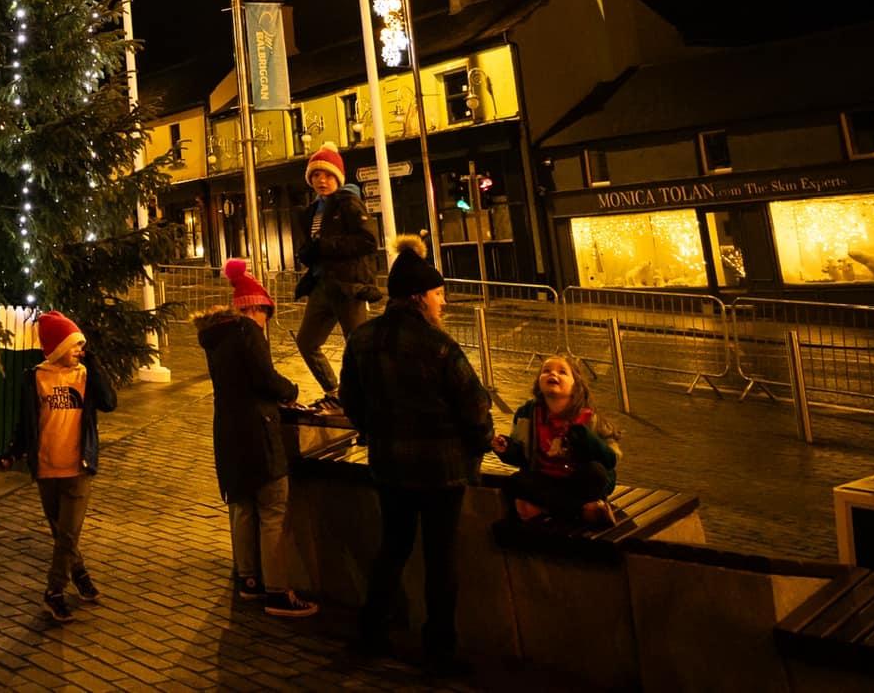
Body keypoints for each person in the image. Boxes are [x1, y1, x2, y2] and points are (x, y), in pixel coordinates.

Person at [338, 235, 493, 677]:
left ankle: (372, 631)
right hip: (441, 471)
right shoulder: (439, 345)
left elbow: (350, 398)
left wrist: (371, 429)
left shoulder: (363, 339)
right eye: (438, 293)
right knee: (441, 558)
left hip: (388, 466)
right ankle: (439, 649)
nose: (442, 302)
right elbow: (475, 405)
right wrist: (481, 442)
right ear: (419, 296)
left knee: (394, 546)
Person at [195, 259, 320, 618]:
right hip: (258, 430)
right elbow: (265, 378)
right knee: (272, 509)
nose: (267, 322)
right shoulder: (247, 332)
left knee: (242, 506)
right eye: (266, 313)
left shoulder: (215, 337)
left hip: (228, 433)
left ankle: (248, 579)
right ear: (254, 307)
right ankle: (278, 591)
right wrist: (290, 389)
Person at [0, 310, 117, 623]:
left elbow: (109, 402)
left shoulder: (85, 376)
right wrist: (14, 451)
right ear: (59, 349)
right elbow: (28, 423)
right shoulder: (35, 377)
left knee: (67, 536)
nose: (80, 350)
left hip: (78, 468)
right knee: (63, 535)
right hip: (47, 468)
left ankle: (53, 592)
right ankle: (81, 578)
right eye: (75, 345)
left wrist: (93, 364)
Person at [292, 143, 382, 410]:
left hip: (348, 286)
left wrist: (326, 247)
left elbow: (368, 240)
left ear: (338, 178)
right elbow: (314, 244)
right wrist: (307, 253)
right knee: (307, 342)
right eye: (317, 175)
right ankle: (336, 392)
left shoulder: (349, 202)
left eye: (328, 175)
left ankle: (370, 402)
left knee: (358, 347)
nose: (322, 180)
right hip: (322, 285)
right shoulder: (311, 211)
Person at [494, 355, 621, 525]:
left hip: (579, 482)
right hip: (546, 479)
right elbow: (521, 455)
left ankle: (546, 509)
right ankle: (582, 512)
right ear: (539, 382)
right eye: (546, 371)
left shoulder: (589, 417)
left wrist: (584, 436)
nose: (553, 374)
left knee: (595, 472)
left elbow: (611, 459)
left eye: (562, 372)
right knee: (515, 483)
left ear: (575, 385)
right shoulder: (528, 414)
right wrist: (506, 448)